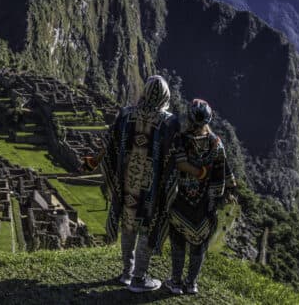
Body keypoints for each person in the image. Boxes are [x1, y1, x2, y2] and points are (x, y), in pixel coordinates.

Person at [82, 76, 207, 293]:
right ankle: (139, 279)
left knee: (128, 224)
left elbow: (108, 141)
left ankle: (126, 273)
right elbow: (177, 159)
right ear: (166, 96)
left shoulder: (126, 114)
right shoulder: (169, 122)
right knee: (147, 228)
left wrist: (94, 161)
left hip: (127, 183)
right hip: (152, 188)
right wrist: (199, 172)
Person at [163, 99, 237, 295]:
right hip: (206, 205)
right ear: (208, 119)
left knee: (178, 241)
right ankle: (192, 283)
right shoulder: (216, 144)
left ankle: (176, 282)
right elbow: (225, 171)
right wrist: (228, 191)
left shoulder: (181, 139)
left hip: (181, 201)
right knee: (199, 245)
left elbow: (176, 163)